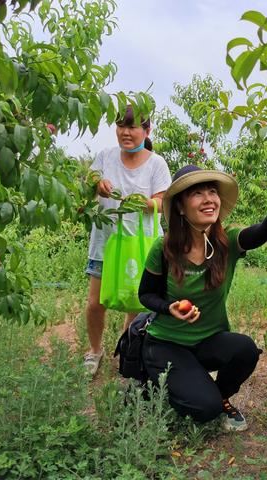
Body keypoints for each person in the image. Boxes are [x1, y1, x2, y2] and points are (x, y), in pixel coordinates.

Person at [137, 155, 267, 432]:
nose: (209, 199)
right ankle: (154, 383)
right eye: (197, 193)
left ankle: (220, 396)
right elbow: (145, 295)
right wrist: (169, 307)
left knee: (244, 349)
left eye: (213, 192)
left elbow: (262, 232)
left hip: (206, 341)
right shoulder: (164, 247)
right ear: (180, 206)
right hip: (166, 343)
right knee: (204, 409)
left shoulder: (226, 241)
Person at [83, 107, 172, 376]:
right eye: (121, 126)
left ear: (147, 131)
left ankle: (127, 348)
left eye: (132, 127)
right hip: (106, 242)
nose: (125, 132)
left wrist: (143, 203)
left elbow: (163, 202)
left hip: (141, 244)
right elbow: (89, 181)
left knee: (135, 300)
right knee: (95, 301)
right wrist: (96, 183)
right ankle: (94, 351)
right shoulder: (105, 157)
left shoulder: (157, 163)